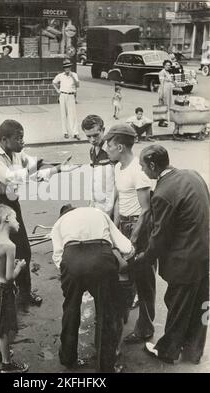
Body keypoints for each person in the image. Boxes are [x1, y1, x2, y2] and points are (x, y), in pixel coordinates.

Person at [0, 119, 75, 307]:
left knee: (22, 247)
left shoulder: (16, 153)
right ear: (5, 140)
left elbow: (35, 165)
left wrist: (57, 167)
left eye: (23, 138)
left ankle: (24, 292)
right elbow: (10, 177)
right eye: (19, 138)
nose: (23, 142)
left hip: (10, 200)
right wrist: (42, 169)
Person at [135, 145, 209, 364]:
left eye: (142, 166)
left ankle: (168, 351)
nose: (142, 171)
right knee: (200, 305)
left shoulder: (163, 193)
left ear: (152, 165)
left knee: (178, 304)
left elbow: (159, 236)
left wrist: (144, 259)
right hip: (204, 254)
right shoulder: (193, 175)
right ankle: (193, 352)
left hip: (184, 259)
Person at [51, 205, 134, 373]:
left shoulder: (59, 223)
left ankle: (68, 357)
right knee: (106, 313)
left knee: (71, 308)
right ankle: (105, 365)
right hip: (101, 257)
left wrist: (71, 271)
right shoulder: (98, 212)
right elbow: (126, 246)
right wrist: (124, 257)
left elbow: (57, 256)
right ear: (75, 209)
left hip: (72, 257)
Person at [104, 124, 156, 344]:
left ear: (121, 147)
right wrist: (113, 228)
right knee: (125, 273)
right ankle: (127, 306)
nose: (106, 148)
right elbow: (119, 201)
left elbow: (145, 210)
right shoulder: (118, 167)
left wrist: (132, 240)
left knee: (144, 280)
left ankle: (145, 328)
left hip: (138, 228)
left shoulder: (138, 170)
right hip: (124, 224)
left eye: (110, 144)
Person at [0, 204, 29, 373]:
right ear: (7, 219)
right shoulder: (10, 246)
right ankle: (6, 365)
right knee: (2, 328)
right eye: (15, 218)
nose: (18, 222)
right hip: (2, 290)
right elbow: (9, 277)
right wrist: (20, 267)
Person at [81, 115, 115, 216]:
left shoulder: (112, 151)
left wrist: (110, 210)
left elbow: (117, 184)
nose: (92, 140)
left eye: (96, 135)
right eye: (88, 136)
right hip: (97, 207)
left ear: (103, 130)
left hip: (110, 208)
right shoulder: (92, 150)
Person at [52, 59, 80, 140]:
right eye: (65, 68)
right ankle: (65, 132)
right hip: (63, 95)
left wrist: (72, 77)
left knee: (72, 115)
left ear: (70, 67)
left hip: (71, 96)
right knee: (64, 115)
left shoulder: (74, 75)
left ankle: (75, 133)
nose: (67, 69)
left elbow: (77, 85)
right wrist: (58, 90)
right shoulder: (60, 75)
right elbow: (54, 82)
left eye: (68, 67)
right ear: (64, 68)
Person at [158, 60, 173, 127]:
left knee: (167, 106)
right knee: (163, 106)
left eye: (169, 65)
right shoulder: (162, 72)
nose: (168, 66)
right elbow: (162, 83)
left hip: (168, 91)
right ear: (164, 65)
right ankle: (161, 121)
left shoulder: (167, 72)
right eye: (167, 65)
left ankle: (164, 120)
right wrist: (162, 93)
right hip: (164, 90)